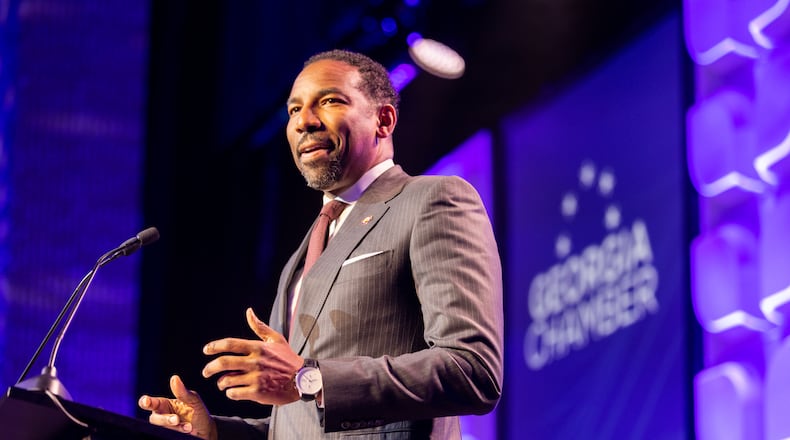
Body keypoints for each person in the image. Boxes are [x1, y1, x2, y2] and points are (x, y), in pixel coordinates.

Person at [138, 49, 503, 439]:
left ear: (384, 119)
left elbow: (472, 369)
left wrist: (308, 378)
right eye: (294, 110)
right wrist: (216, 432)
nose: (304, 122)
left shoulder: (432, 199)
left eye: (329, 101)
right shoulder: (304, 253)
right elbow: (297, 420)